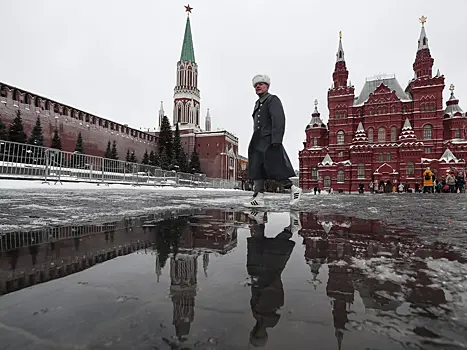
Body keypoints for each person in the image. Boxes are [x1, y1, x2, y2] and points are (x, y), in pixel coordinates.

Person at [244, 74, 302, 208]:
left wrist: (277, 139)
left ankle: (293, 189)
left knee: (274, 166)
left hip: (269, 139)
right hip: (258, 140)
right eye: (256, 85)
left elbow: (279, 119)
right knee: (257, 167)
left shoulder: (272, 99)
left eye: (261, 84)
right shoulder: (258, 103)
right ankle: (258, 197)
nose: (258, 86)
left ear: (267, 86)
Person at [246, 211, 296, 347]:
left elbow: (271, 296)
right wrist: (264, 283)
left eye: (255, 334)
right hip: (266, 277)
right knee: (267, 249)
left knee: (263, 247)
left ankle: (259, 219)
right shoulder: (266, 318)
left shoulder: (263, 318)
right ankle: (289, 228)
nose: (257, 332)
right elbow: (272, 294)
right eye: (257, 335)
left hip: (262, 276)